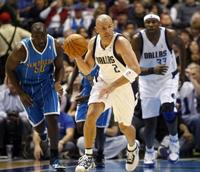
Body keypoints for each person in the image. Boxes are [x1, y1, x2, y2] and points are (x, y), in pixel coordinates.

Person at [70, 14, 141, 172]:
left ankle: (132, 147)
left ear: (113, 25)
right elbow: (88, 70)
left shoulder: (121, 42)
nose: (107, 30)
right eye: (103, 28)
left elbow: (136, 69)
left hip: (125, 85)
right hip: (103, 83)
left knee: (124, 126)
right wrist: (76, 57)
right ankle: (88, 157)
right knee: (91, 114)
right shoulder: (93, 43)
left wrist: (114, 85)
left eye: (109, 26)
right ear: (96, 29)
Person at [5, 22, 65, 171]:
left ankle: (55, 157)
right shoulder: (21, 49)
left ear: (47, 33)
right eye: (37, 37)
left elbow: (60, 67)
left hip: (47, 85)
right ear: (31, 36)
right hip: (27, 88)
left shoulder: (55, 45)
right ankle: (43, 137)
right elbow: (8, 68)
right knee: (39, 126)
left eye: (43, 35)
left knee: (53, 117)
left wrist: (58, 82)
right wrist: (20, 92)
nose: (41, 39)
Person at [132, 13, 186, 167]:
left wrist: (182, 72)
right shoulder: (137, 39)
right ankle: (149, 152)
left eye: (153, 22)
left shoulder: (169, 34)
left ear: (159, 23)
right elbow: (135, 68)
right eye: (147, 22)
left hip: (168, 78)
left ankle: (174, 141)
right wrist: (152, 70)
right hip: (147, 82)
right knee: (150, 122)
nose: (151, 25)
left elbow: (182, 46)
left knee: (168, 108)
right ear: (144, 24)